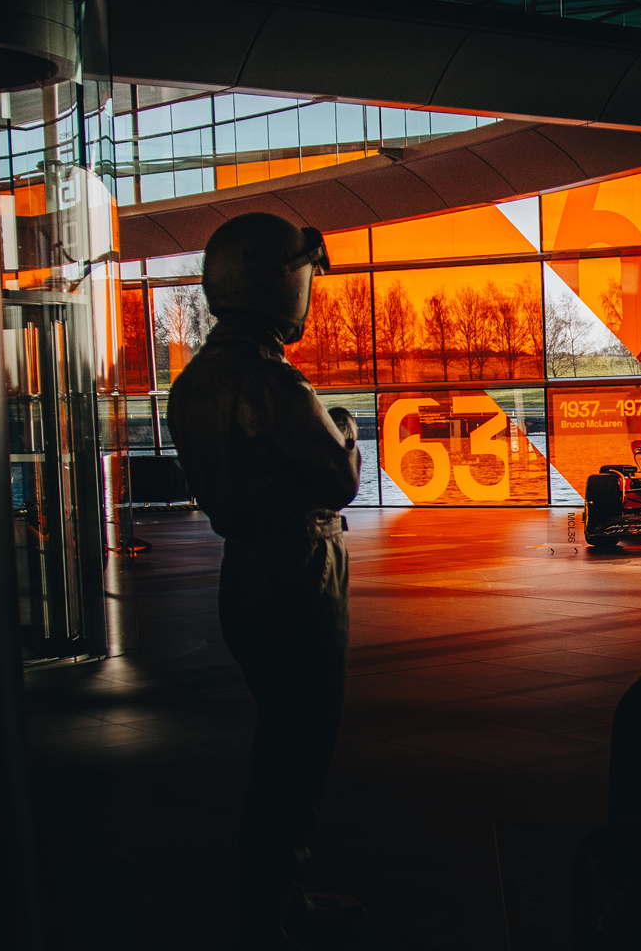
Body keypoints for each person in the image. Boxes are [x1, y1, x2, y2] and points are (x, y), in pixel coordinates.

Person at [167, 213, 361, 949]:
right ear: (282, 281)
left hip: (244, 570)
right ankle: (273, 907)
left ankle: (273, 897)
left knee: (281, 741)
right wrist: (342, 422)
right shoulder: (269, 380)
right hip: (298, 570)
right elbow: (339, 478)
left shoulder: (196, 381)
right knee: (298, 749)